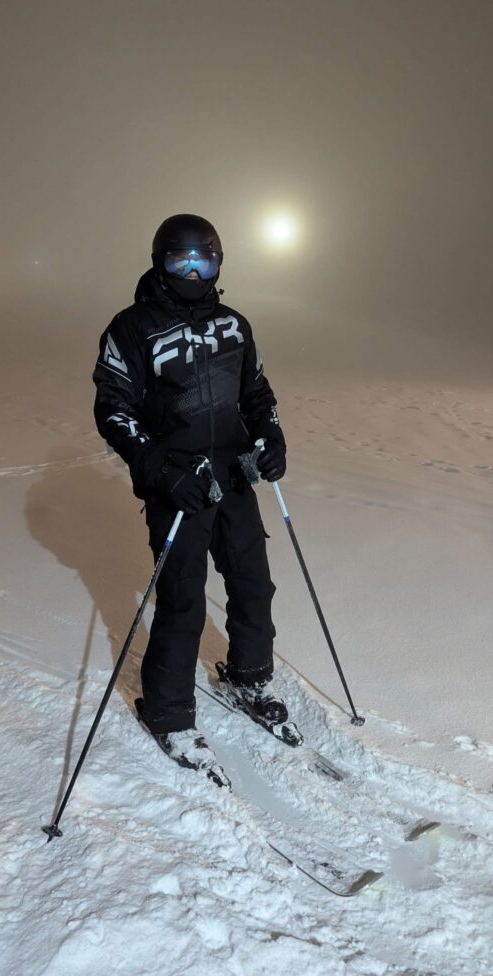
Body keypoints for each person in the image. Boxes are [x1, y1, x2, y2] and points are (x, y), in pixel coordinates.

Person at [92, 214, 290, 784]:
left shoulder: (234, 325)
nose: (194, 272)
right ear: (161, 263)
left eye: (204, 261)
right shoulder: (132, 328)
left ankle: (250, 676)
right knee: (183, 600)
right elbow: (113, 410)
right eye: (181, 261)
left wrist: (270, 438)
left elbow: (257, 393)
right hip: (178, 484)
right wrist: (160, 469)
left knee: (253, 583)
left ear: (219, 263)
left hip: (232, 477)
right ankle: (169, 712)